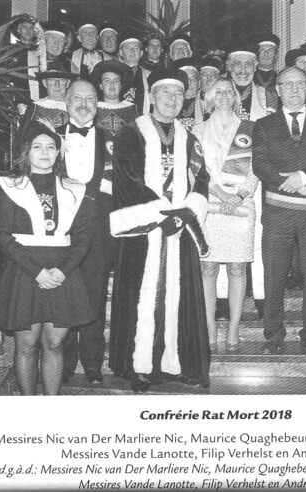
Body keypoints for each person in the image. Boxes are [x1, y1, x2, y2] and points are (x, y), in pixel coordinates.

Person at [108, 68, 211, 393]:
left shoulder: (190, 139)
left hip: (180, 230)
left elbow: (202, 180)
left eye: (178, 93)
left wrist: (184, 213)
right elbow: (127, 179)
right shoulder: (130, 134)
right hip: (143, 231)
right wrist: (160, 214)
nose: (172, 98)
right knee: (141, 297)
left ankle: (182, 364)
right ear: (151, 96)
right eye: (165, 92)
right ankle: (139, 366)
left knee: (182, 298)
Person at [0, 120, 95, 395]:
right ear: (26, 152)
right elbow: (1, 235)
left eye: (50, 147)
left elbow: (84, 237)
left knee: (55, 344)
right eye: (37, 147)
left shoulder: (75, 189)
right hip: (24, 270)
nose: (45, 152)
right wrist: (36, 272)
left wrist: (63, 271)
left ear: (58, 153)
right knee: (26, 345)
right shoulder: (9, 186)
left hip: (63, 272)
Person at [252, 66, 306, 354]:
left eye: (299, 83)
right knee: (274, 274)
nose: (293, 89)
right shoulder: (264, 125)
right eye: (287, 84)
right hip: (278, 212)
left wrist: (304, 178)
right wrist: (290, 184)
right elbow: (260, 165)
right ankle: (273, 335)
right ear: (278, 89)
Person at [192, 78, 259, 353]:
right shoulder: (197, 130)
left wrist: (240, 196)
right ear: (209, 97)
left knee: (237, 268)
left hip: (241, 205)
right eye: (218, 91)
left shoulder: (251, 128)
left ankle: (233, 330)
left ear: (236, 96)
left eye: (228, 91)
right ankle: (209, 330)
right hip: (210, 205)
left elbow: (257, 167)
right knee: (207, 268)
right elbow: (197, 169)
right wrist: (221, 195)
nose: (223, 95)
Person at [57, 80, 115, 384]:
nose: (83, 104)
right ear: (67, 102)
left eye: (90, 98)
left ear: (98, 104)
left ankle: (93, 364)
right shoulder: (49, 139)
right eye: (77, 98)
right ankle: (64, 364)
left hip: (98, 232)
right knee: (63, 297)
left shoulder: (112, 139)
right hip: (60, 233)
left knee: (95, 297)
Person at [225, 48, 270, 320]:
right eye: (237, 65)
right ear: (229, 68)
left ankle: (262, 295)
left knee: (259, 233)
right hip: (226, 177)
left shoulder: (267, 94)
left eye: (248, 65)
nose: (242, 70)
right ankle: (223, 298)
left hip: (259, 172)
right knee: (225, 232)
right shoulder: (220, 93)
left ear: (255, 68)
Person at [20, 59, 79, 130]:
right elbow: (23, 134)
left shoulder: (77, 107)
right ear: (45, 83)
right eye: (52, 80)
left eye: (62, 80)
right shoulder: (35, 107)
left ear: (68, 83)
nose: (57, 84)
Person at [90, 59, 138, 136]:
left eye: (116, 81)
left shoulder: (132, 110)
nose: (112, 85)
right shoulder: (93, 110)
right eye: (107, 81)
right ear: (101, 86)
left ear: (121, 86)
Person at [119, 37, 151, 115]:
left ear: (141, 53)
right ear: (121, 53)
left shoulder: (149, 75)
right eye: (127, 48)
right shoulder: (113, 74)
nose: (132, 51)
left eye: (136, 48)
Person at [174, 57, 204, 131]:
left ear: (199, 83)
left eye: (193, 79)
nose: (189, 83)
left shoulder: (206, 107)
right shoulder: (169, 106)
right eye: (185, 79)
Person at [254, 34, 280, 111]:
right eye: (262, 50)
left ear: (276, 55)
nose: (266, 54)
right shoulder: (248, 78)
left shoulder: (282, 78)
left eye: (270, 50)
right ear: (257, 54)